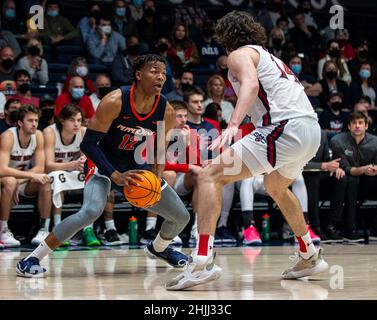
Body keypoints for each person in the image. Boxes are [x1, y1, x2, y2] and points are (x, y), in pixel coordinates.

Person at [166, 11, 328, 290]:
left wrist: (232, 124)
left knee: (209, 175)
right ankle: (309, 253)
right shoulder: (268, 56)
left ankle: (202, 261)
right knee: (276, 186)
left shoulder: (239, 54)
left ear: (225, 36)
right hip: (311, 131)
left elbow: (251, 86)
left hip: (284, 128)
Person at [16, 54, 190, 277]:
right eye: (154, 71)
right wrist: (114, 174)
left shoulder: (165, 109)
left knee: (181, 216)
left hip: (136, 168)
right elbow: (89, 145)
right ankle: (31, 258)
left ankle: (158, 249)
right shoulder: (115, 101)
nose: (160, 77)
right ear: (138, 74)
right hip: (102, 162)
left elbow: (159, 151)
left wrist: (155, 179)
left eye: (163, 73)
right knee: (90, 211)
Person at [0, 105, 51, 247]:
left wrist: (22, 180)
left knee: (45, 181)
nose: (34, 124)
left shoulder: (38, 135)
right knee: (10, 181)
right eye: (30, 120)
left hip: (23, 180)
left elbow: (40, 167)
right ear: (20, 123)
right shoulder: (8, 137)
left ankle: (44, 229)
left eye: (36, 120)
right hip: (6, 180)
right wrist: (22, 179)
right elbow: (2, 169)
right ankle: (3, 231)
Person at [43, 104, 88, 247]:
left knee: (93, 178)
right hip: (53, 173)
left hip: (72, 172)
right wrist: (72, 165)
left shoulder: (83, 132)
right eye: (72, 120)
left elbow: (87, 158)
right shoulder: (50, 132)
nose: (76, 124)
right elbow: (48, 165)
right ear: (62, 120)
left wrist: (84, 161)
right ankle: (58, 226)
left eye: (79, 120)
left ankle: (89, 228)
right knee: (58, 177)